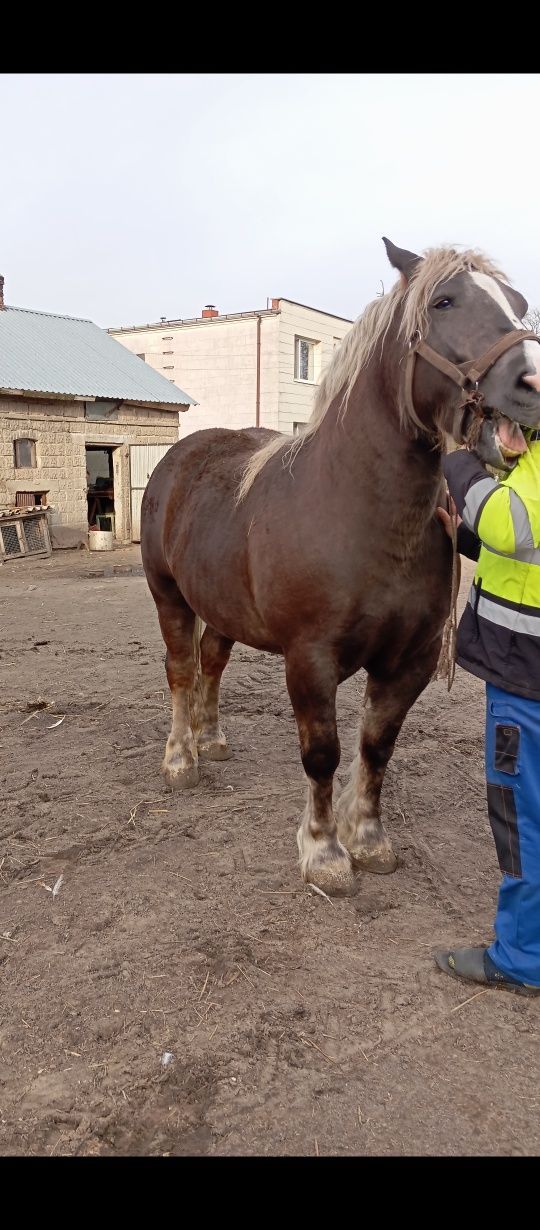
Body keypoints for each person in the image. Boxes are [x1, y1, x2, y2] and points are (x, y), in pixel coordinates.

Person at [435, 430, 540, 996]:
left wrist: (456, 454)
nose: (503, 433)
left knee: (523, 819)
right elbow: (522, 547)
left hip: (526, 679)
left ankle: (523, 959)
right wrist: (466, 538)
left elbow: (510, 524)